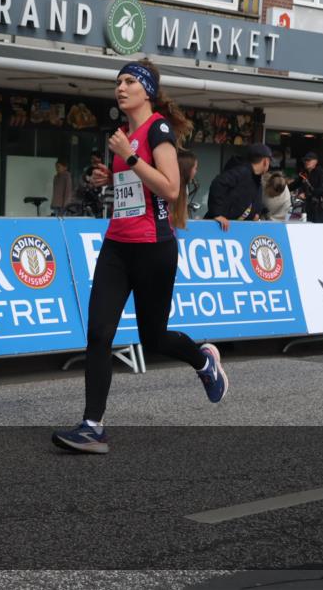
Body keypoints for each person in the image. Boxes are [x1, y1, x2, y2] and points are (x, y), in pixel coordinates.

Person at [52, 60, 228, 455]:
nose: (121, 87)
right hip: (117, 245)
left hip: (153, 247)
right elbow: (137, 188)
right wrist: (113, 176)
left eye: (130, 81)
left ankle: (203, 360)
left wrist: (129, 160)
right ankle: (92, 427)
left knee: (153, 337)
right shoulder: (125, 136)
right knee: (99, 334)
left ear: (146, 90)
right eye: (118, 81)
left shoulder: (157, 129)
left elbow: (170, 188)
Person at [203, 143, 273, 231]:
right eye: (269, 162)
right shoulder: (241, 172)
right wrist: (217, 214)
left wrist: (256, 213)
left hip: (233, 229)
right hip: (218, 227)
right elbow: (218, 183)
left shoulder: (256, 178)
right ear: (265, 161)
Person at [295, 152, 323, 223]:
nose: (306, 162)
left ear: (316, 161)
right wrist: (300, 192)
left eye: (308, 160)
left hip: (318, 207)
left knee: (317, 225)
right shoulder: (303, 173)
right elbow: (299, 186)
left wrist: (307, 194)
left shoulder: (321, 173)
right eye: (305, 160)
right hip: (306, 206)